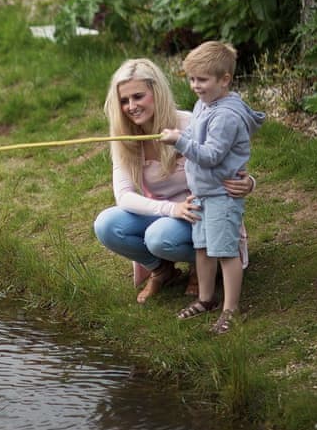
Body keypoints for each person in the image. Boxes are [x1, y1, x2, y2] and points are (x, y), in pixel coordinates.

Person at [93, 58, 255, 304]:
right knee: (106, 224)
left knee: (158, 236)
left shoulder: (189, 123)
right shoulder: (124, 137)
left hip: (203, 211)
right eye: (124, 101)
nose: (131, 106)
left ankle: (201, 266)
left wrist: (249, 182)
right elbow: (124, 196)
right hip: (167, 212)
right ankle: (162, 270)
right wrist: (171, 209)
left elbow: (226, 161)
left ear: (156, 93)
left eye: (138, 96)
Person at [161, 41, 264, 334]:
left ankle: (231, 310)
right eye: (192, 79)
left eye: (202, 80)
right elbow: (195, 139)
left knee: (225, 252)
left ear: (224, 80)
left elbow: (211, 155)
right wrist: (182, 138)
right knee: (203, 250)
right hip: (204, 194)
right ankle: (205, 300)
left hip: (222, 195)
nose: (195, 85)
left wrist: (179, 141)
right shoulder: (203, 104)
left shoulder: (226, 116)